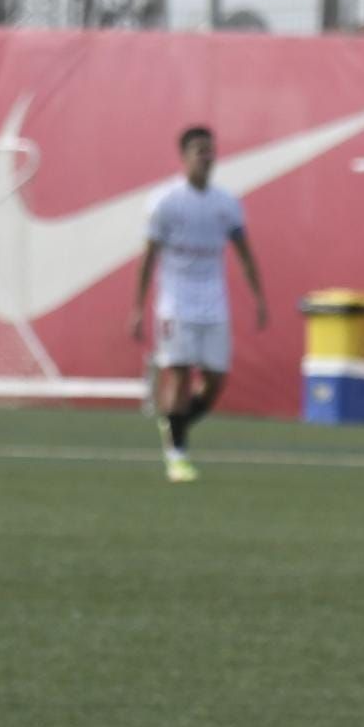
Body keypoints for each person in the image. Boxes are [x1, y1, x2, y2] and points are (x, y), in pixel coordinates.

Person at [129, 125, 267, 483]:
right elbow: (148, 258)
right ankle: (177, 456)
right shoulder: (164, 201)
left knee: (215, 380)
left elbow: (245, 254)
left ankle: (174, 424)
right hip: (175, 302)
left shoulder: (226, 204)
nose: (207, 156)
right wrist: (138, 307)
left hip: (214, 303)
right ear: (184, 156)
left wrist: (259, 297)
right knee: (177, 373)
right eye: (199, 150)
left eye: (210, 150)